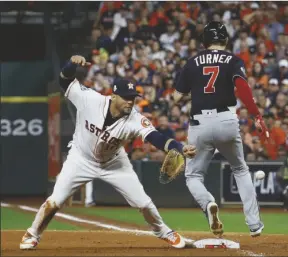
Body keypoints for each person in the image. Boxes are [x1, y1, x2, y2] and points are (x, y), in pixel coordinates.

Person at [20, 55, 197, 250]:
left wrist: (179, 147)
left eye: (133, 98)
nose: (131, 102)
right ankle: (32, 234)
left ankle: (165, 232)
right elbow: (64, 80)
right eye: (127, 98)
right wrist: (71, 64)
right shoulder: (90, 99)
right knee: (54, 202)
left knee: (144, 203)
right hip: (80, 159)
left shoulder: (135, 119)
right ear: (113, 96)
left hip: (114, 163)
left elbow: (156, 137)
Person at [172, 21, 269, 237]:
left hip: (199, 124)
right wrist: (256, 115)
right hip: (226, 120)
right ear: (225, 39)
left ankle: (208, 204)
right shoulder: (233, 60)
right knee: (240, 170)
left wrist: (197, 91)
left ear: (204, 41)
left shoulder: (192, 62)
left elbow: (176, 96)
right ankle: (254, 224)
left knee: (194, 176)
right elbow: (242, 88)